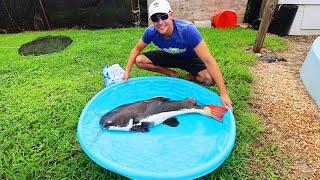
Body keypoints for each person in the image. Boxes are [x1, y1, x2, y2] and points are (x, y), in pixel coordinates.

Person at [123, 0, 232, 109]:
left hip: (189, 58)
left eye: (164, 16)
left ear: (171, 14)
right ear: (151, 20)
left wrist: (223, 93)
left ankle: (192, 77)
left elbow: (209, 60)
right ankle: (171, 73)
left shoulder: (188, 30)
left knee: (209, 79)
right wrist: (127, 72)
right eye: (155, 19)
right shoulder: (151, 32)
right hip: (169, 55)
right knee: (139, 60)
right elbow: (136, 49)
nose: (160, 22)